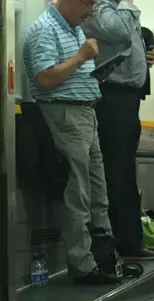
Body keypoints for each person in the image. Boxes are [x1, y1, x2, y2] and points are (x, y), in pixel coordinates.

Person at [23, 0, 119, 285]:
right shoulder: (44, 29)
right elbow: (44, 78)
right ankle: (83, 265)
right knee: (77, 194)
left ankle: (105, 257)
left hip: (86, 112)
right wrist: (80, 57)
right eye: (88, 5)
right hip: (64, 113)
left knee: (98, 193)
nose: (90, 12)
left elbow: (70, 72)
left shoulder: (73, 28)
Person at [84, 0, 154, 261]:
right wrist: (127, 4)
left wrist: (146, 52)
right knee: (113, 172)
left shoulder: (115, 10)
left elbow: (128, 38)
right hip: (110, 97)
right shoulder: (97, 7)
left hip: (128, 99)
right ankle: (113, 243)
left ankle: (130, 240)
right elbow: (118, 31)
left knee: (126, 172)